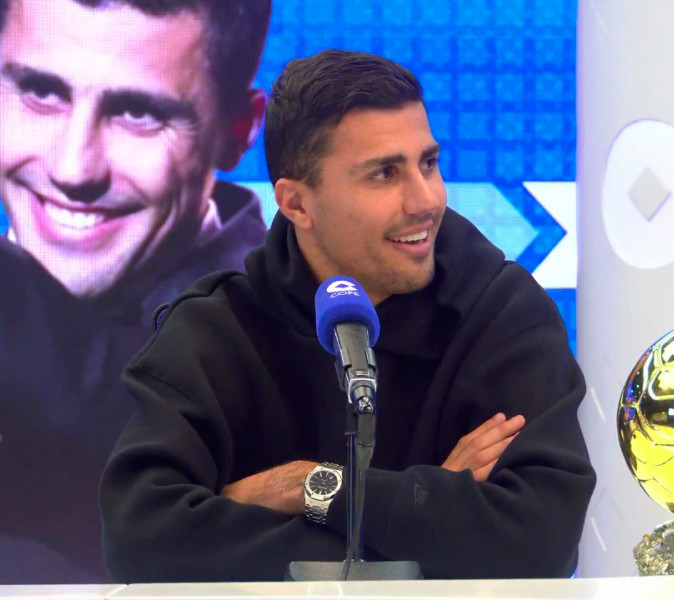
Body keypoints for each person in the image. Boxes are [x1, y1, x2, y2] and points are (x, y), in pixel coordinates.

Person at [100, 49, 596, 581]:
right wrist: (427, 510)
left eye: (428, 163)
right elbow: (142, 543)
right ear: (296, 204)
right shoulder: (212, 331)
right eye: (384, 174)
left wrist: (303, 487)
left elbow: (540, 543)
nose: (425, 200)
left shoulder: (502, 314)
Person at [0, 0, 271, 583]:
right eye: (40, 92)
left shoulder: (285, 333)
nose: (74, 168)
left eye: (138, 112)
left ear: (237, 133)